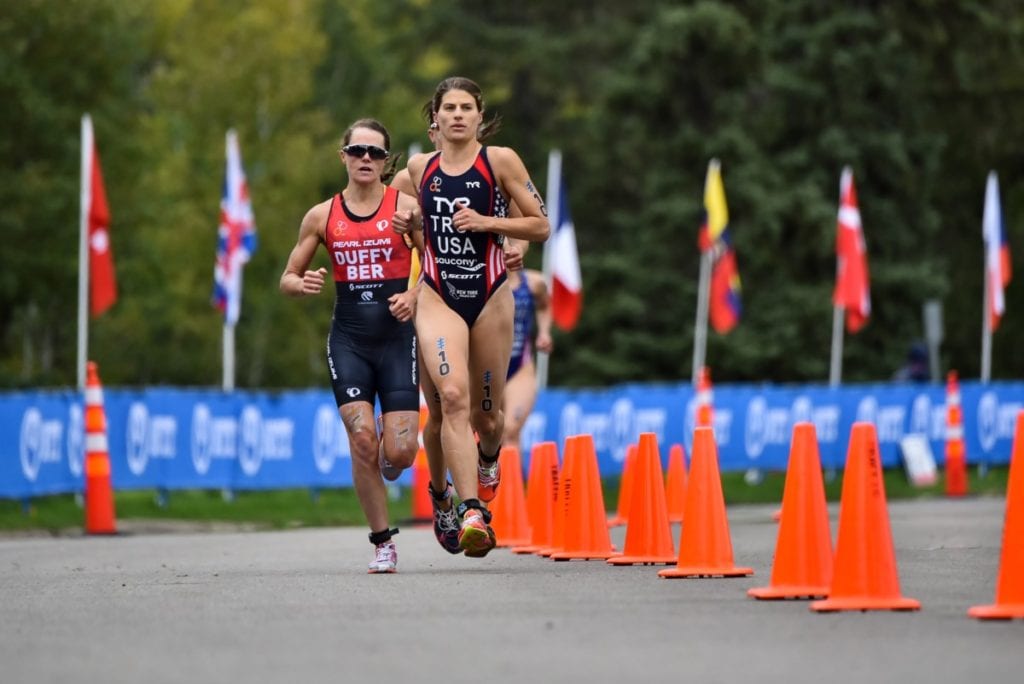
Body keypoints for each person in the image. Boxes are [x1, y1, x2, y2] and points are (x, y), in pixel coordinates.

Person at [393, 77, 549, 557]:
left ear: (480, 116)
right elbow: (386, 216)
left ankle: (488, 458)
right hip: (439, 296)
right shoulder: (418, 170)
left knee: (488, 416)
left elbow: (540, 224)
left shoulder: (499, 161)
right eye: (449, 108)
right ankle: (471, 512)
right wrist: (402, 223)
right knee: (452, 399)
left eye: (467, 107)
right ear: (434, 118)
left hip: (491, 296)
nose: (458, 115)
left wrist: (490, 224)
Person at [280, 118, 421, 574]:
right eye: (357, 151)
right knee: (362, 441)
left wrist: (415, 294)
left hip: (398, 340)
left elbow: (438, 262)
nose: (366, 159)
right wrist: (300, 284)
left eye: (375, 153)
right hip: (350, 341)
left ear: (386, 161)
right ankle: (382, 542)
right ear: (343, 156)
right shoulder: (322, 216)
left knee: (398, 455)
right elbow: (287, 276)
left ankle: (387, 456)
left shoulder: (406, 208)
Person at [502, 266, 553, 451]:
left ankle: (510, 480)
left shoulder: (534, 283)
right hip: (486, 369)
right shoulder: (478, 281)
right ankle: (484, 479)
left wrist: (544, 333)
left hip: (519, 366)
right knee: (489, 431)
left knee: (511, 429)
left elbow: (544, 306)